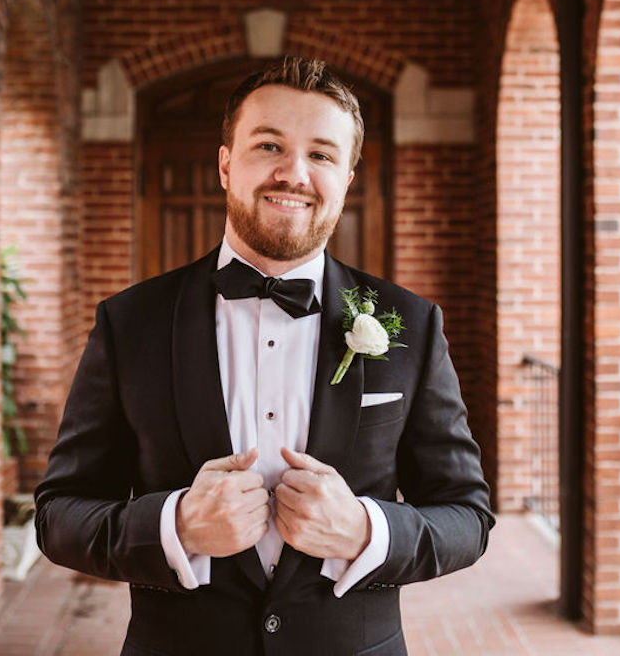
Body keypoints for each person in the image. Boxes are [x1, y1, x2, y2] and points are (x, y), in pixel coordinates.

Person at [35, 56, 493, 656]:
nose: (294, 173)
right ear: (227, 164)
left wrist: (365, 531)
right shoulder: (131, 322)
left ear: (348, 176)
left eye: (322, 155)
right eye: (269, 145)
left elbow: (467, 516)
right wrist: (173, 526)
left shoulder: (411, 323)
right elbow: (58, 515)